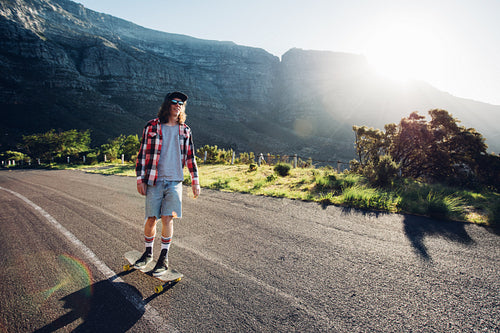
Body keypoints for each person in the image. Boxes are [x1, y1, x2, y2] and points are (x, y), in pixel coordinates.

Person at [134, 91, 200, 276]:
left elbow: (190, 157)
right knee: (151, 218)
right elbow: (142, 155)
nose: (178, 105)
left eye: (181, 103)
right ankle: (148, 253)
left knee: (168, 218)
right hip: (155, 180)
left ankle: (163, 258)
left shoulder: (185, 130)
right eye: (174, 101)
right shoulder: (152, 126)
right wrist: (140, 179)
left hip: (175, 182)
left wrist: (195, 181)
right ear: (167, 104)